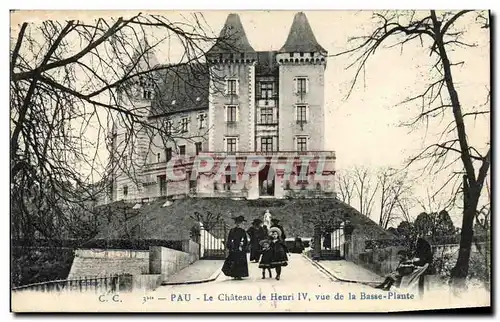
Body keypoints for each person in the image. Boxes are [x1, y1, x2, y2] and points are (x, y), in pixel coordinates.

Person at [221, 215, 249, 280]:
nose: (238, 224)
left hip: (240, 248)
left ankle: (239, 275)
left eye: (240, 223)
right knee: (233, 261)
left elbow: (245, 240)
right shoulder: (232, 230)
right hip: (234, 248)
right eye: (237, 223)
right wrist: (230, 246)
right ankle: (233, 274)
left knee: (240, 262)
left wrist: (243, 245)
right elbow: (229, 239)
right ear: (235, 223)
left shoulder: (242, 231)